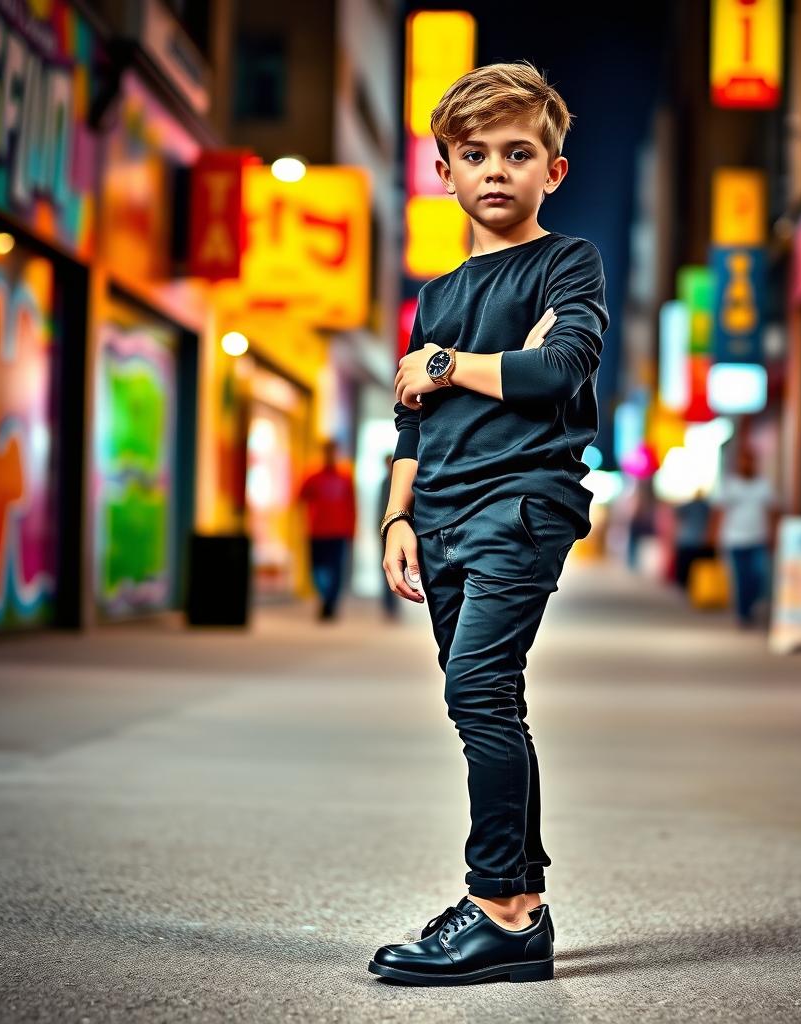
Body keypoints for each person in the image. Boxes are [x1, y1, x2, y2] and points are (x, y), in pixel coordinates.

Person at [369, 61, 608, 986]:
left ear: (553, 168)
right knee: (490, 701)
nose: (496, 170)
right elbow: (409, 418)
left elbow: (560, 370)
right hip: (438, 516)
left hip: (522, 505)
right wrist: (396, 517)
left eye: (520, 152)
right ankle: (523, 907)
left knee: (474, 691)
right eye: (476, 154)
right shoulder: (436, 295)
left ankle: (499, 908)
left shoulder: (567, 261)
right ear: (446, 172)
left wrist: (445, 362)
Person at [709, 444, 777, 629]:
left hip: (758, 538)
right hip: (734, 539)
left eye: (750, 460)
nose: (747, 464)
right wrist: (713, 536)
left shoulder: (763, 485)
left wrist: (773, 535)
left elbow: (772, 512)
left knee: (758, 576)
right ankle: (743, 613)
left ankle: (750, 606)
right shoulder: (730, 485)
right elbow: (718, 512)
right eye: (743, 460)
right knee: (740, 578)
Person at [296, 439, 356, 621]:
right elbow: (300, 498)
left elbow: (352, 505)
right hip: (317, 531)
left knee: (336, 570)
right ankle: (325, 597)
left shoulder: (345, 477)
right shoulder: (312, 477)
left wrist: (352, 529)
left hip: (339, 531)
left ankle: (330, 603)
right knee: (318, 568)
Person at [673, 489, 713, 589]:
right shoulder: (707, 507)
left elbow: (677, 512)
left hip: (687, 539)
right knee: (698, 567)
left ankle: (684, 584)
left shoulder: (689, 505)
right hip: (701, 539)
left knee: (685, 566)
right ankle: (696, 585)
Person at [376, 453, 398, 620]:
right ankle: (388, 603)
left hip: (397, 533)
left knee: (397, 568)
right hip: (385, 533)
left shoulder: (399, 483)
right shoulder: (385, 483)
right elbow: (379, 510)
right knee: (386, 568)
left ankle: (393, 603)